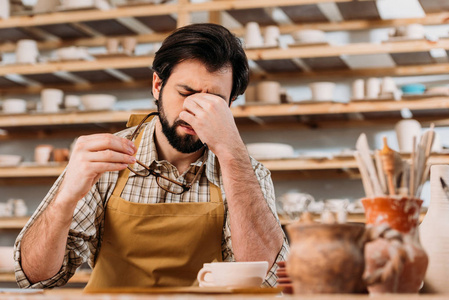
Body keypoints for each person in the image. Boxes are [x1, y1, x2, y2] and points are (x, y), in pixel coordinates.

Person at [14, 23, 289, 289]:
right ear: (157, 85)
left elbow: (268, 279)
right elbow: (35, 275)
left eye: (214, 101)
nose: (194, 110)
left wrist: (232, 155)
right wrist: (65, 198)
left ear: (230, 104)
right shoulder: (104, 159)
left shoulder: (246, 172)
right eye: (185, 92)